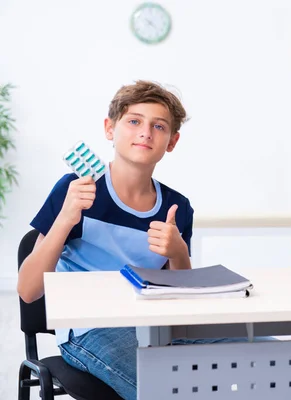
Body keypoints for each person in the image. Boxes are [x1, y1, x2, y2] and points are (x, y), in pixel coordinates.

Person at [17, 80, 193, 399]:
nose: (146, 132)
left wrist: (179, 252)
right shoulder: (76, 190)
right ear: (109, 129)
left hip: (157, 327)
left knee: (257, 358)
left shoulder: (176, 208)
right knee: (169, 391)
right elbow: (28, 290)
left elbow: (180, 299)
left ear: (172, 141)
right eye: (134, 121)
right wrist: (66, 218)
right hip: (89, 330)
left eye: (159, 125)